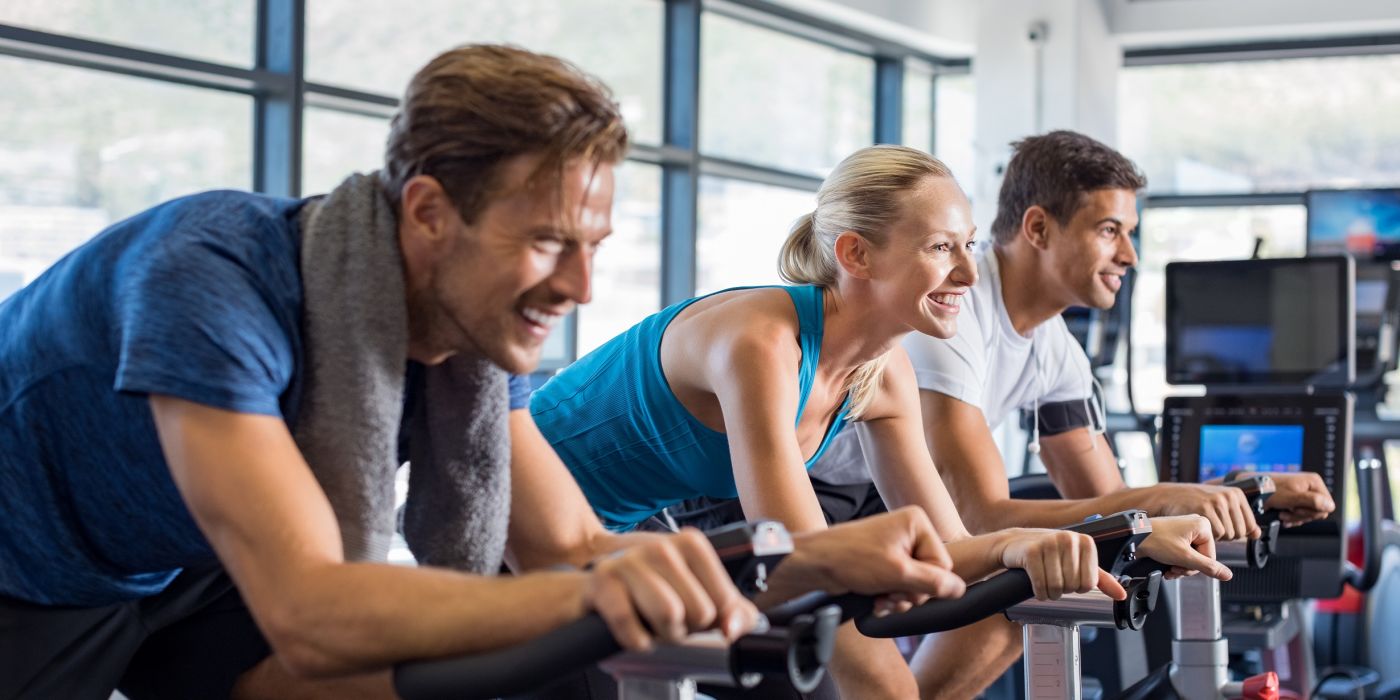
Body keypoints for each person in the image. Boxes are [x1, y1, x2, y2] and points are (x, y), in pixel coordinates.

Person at [0, 45, 971, 700]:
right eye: (548, 241)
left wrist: (799, 566)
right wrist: (598, 597)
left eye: (591, 242)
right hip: (27, 567)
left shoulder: (465, 327)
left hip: (185, 566)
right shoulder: (207, 281)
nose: (580, 285)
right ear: (426, 212)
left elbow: (566, 543)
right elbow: (311, 606)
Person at [530, 144, 1231, 699]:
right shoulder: (761, 343)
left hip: (640, 528)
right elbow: (802, 553)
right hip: (533, 513)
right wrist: (1031, 539)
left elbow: (953, 542)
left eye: (966, 245)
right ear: (857, 255)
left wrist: (1114, 535)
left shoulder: (882, 371)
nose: (967, 274)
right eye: (940, 248)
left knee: (887, 688)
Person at [808, 130, 1338, 697]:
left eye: (1129, 234)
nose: (1129, 256)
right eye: (1109, 230)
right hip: (820, 505)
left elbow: (1109, 503)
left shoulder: (1056, 348)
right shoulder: (952, 311)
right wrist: (1160, 501)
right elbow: (979, 515)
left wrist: (1234, 492)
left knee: (1038, 588)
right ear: (1037, 228)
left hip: (895, 506)